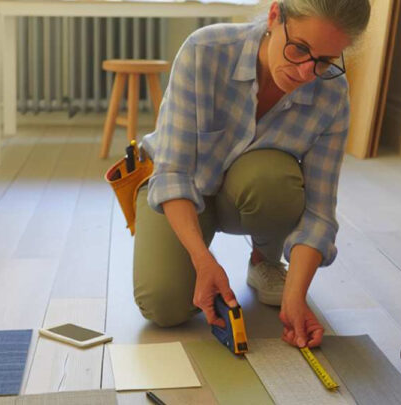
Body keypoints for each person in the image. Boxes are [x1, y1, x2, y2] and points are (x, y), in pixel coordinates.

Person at [133, 0, 371, 349]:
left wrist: (296, 295)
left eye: (324, 61)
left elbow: (320, 213)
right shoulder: (205, 51)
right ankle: (196, 259)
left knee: (274, 180)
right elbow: (174, 172)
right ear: (275, 16)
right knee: (163, 307)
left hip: (252, 192)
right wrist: (203, 260)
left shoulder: (331, 95)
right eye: (300, 49)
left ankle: (265, 261)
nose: (306, 72)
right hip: (181, 194)